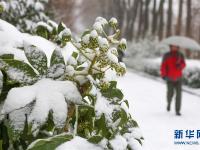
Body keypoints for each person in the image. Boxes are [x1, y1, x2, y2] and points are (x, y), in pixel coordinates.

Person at [160, 45, 186, 116]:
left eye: (176, 46)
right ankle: (169, 103)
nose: (174, 47)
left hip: (178, 78)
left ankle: (177, 110)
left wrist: (180, 65)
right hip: (169, 78)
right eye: (173, 46)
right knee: (170, 94)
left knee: (179, 95)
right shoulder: (166, 55)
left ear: (178, 47)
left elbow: (184, 64)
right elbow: (163, 65)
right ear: (170, 47)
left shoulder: (181, 55)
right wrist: (163, 75)